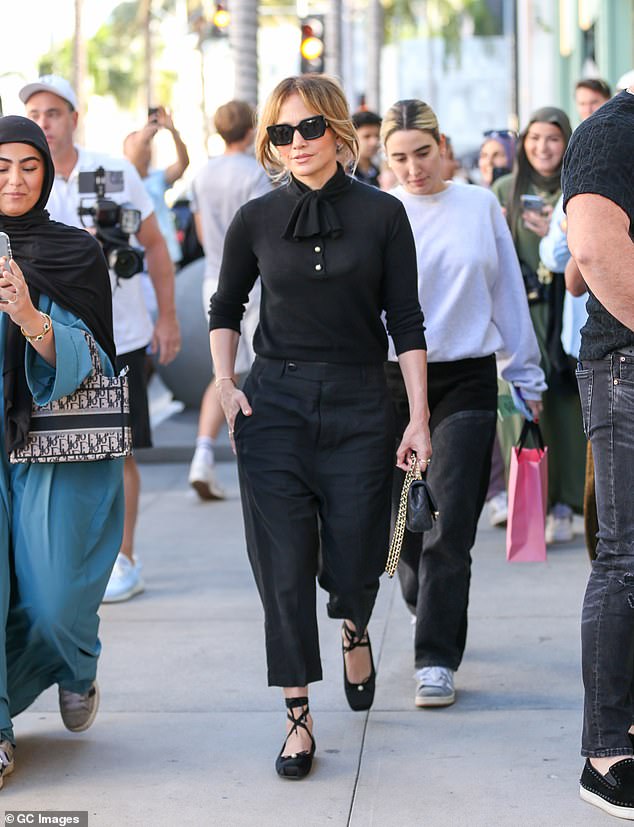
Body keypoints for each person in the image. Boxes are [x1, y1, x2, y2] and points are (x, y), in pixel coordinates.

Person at [209, 75, 431, 780]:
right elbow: (224, 304)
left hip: (364, 400)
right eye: (281, 132)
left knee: (358, 549)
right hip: (273, 404)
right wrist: (225, 381)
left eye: (308, 129)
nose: (296, 144)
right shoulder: (256, 218)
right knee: (281, 566)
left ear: (336, 130)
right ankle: (298, 715)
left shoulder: (384, 214)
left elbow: (407, 320)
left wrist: (419, 416)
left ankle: (355, 621)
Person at [381, 99, 545, 708]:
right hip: (393, 380)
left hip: (470, 379)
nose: (412, 169)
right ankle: (424, 598)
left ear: (442, 144)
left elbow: (506, 291)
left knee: (450, 523)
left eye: (421, 154)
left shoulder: (478, 205)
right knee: (399, 529)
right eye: (398, 158)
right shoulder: (381, 210)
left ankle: (436, 657)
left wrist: (525, 377)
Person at [20, 75, 181, 603]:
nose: (44, 122)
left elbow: (155, 246)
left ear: (73, 116)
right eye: (35, 112)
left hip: (119, 334)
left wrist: (168, 319)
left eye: (53, 112)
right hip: (37, 338)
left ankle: (124, 556)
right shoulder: (18, 179)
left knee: (119, 447)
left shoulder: (113, 170)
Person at [0, 116, 125, 788]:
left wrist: (29, 316)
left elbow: (93, 359)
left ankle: (75, 663)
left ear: (47, 172)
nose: (15, 180)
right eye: (1, 167)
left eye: (28, 166)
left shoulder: (73, 252)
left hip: (51, 441)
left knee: (52, 600)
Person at [563, 81, 634, 819]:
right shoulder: (612, 132)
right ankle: (605, 749)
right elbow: (589, 251)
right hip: (626, 365)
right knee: (625, 555)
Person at [492, 107, 585, 545]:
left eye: (552, 138)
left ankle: (567, 502)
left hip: (564, 312)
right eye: (533, 139)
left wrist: (556, 234)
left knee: (567, 407)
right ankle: (529, 502)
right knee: (517, 409)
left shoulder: (579, 188)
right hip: (519, 315)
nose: (543, 148)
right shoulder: (505, 190)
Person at [188, 100, 271, 500]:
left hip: (213, 278)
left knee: (224, 374)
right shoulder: (255, 174)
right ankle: (257, 459)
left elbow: (203, 233)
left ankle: (202, 454)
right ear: (251, 129)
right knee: (260, 371)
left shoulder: (202, 174)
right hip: (253, 281)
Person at [124, 105, 190, 268]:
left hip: (166, 255)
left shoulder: (157, 176)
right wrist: (143, 134)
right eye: (141, 143)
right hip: (138, 259)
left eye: (147, 144)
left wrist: (173, 132)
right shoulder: (124, 178)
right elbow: (134, 160)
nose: (146, 148)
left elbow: (183, 164)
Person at [351, 109, 381, 186]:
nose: (374, 142)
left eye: (377, 136)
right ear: (351, 137)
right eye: (367, 136)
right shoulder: (345, 173)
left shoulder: (380, 174)